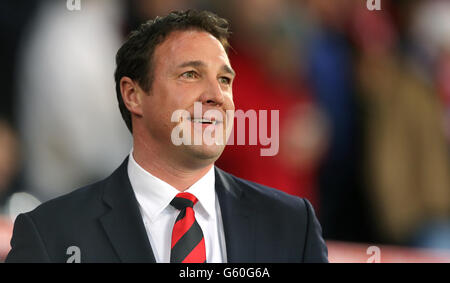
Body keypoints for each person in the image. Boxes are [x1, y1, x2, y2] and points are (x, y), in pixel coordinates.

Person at [5, 10, 328, 263]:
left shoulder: (291, 225)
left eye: (225, 80)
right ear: (133, 95)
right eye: (190, 75)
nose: (217, 95)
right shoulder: (51, 234)